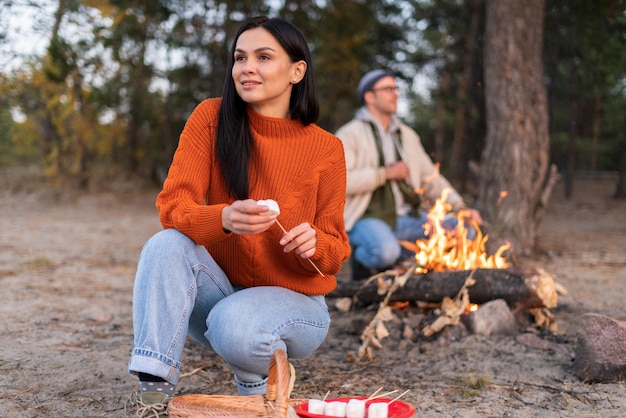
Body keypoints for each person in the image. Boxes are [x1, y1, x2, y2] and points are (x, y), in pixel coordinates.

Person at [128, 16, 350, 416]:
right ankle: (153, 387)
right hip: (219, 296)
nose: (247, 68)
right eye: (240, 57)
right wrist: (225, 218)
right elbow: (172, 207)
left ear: (297, 71)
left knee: (237, 322)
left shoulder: (326, 149)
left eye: (264, 57)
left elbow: (336, 249)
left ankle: (253, 383)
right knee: (166, 244)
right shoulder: (210, 119)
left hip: (298, 306)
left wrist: (315, 243)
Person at [335, 69, 481, 280]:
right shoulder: (350, 134)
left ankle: (402, 264)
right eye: (388, 89)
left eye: (396, 88)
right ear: (369, 96)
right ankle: (364, 259)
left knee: (465, 230)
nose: (395, 94)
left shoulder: (407, 135)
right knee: (385, 252)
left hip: (406, 218)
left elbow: (431, 178)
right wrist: (384, 174)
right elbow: (339, 182)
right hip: (365, 218)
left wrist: (460, 207)